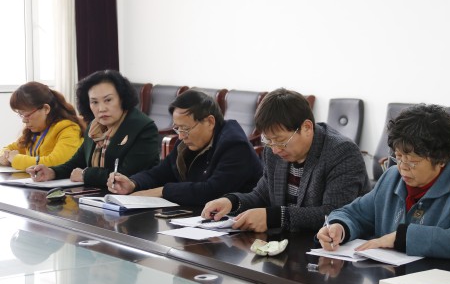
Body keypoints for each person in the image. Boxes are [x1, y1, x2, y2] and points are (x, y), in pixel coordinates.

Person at [316, 104, 450, 261]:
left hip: (439, 281)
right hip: (388, 278)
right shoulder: (392, 177)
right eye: (398, 157)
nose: (402, 167)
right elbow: (355, 214)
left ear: (441, 159)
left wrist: (401, 238)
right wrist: (340, 227)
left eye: (412, 161)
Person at [202, 88, 371, 232]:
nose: (275, 149)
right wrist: (231, 202)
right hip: (287, 242)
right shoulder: (273, 151)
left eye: (281, 141)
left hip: (331, 249)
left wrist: (274, 217)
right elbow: (262, 195)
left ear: (306, 128)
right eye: (268, 140)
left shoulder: (341, 152)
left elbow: (334, 213)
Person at [106, 90, 262, 207]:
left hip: (238, 225)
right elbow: (161, 172)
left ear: (210, 122)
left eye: (185, 129)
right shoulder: (187, 143)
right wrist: (133, 183)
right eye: (177, 128)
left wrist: (162, 191)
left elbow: (212, 192)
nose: (180, 136)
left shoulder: (235, 145)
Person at [28, 70, 160, 188]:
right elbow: (77, 162)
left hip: (133, 199)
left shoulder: (143, 127)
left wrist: (86, 174)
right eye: (94, 102)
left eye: (108, 100)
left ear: (122, 99)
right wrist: (52, 172)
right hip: (97, 195)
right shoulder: (94, 127)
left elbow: (125, 175)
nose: (101, 108)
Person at [1, 82, 84, 170]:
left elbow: (58, 162)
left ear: (46, 109)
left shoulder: (69, 129)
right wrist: (5, 156)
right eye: (21, 114)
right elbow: (8, 148)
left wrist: (16, 159)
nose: (24, 120)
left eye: (27, 115)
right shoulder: (34, 131)